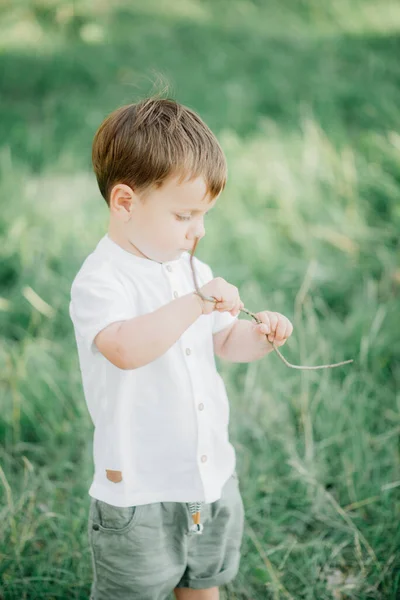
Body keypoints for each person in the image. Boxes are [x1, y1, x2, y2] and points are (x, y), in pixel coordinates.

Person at [69, 97, 293, 600]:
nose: (199, 230)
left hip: (207, 474)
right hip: (140, 489)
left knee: (203, 580)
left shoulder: (192, 272)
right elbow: (125, 348)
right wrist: (194, 303)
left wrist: (257, 337)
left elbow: (223, 340)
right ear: (125, 202)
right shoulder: (101, 280)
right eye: (184, 215)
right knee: (136, 589)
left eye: (205, 215)